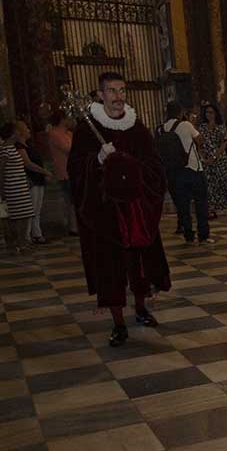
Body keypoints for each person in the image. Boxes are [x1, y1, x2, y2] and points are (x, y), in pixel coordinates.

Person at [69, 72, 172, 346]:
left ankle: (140, 308)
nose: (118, 97)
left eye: (122, 91)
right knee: (110, 269)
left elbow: (154, 167)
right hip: (106, 214)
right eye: (112, 91)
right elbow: (76, 170)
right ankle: (117, 323)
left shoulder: (137, 127)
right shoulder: (86, 128)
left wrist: (129, 165)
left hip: (137, 212)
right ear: (100, 95)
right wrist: (98, 160)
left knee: (140, 266)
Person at [160, 102, 212, 244]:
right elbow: (200, 140)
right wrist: (192, 125)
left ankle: (189, 235)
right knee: (201, 203)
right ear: (180, 112)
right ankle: (203, 235)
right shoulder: (186, 125)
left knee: (183, 205)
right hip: (193, 168)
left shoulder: (162, 129)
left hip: (174, 172)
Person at [0, 121, 41, 253]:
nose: (19, 133)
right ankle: (17, 244)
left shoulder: (13, 148)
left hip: (21, 186)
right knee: (16, 217)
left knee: (25, 215)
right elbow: (0, 171)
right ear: (11, 133)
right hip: (12, 187)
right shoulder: (4, 149)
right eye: (16, 131)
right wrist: (2, 189)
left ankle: (22, 242)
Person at [199, 101, 227, 218]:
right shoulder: (202, 128)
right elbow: (200, 144)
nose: (209, 115)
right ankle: (212, 209)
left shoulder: (221, 127)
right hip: (207, 161)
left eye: (211, 112)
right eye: (207, 112)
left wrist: (214, 157)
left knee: (224, 182)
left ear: (216, 114)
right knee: (210, 185)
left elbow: (224, 144)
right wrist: (204, 158)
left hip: (220, 159)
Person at [48, 111, 77, 235]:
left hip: (74, 170)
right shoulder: (54, 133)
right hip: (65, 171)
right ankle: (73, 227)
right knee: (71, 200)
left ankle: (75, 225)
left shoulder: (69, 133)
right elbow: (69, 149)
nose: (71, 120)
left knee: (74, 200)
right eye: (69, 117)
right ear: (62, 119)